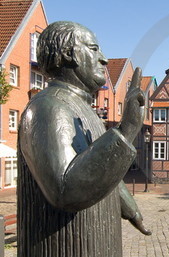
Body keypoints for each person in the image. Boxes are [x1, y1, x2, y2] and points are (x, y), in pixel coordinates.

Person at [18, 21, 150, 257]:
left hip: (96, 242)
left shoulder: (81, 106)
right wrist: (128, 129)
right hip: (65, 247)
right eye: (93, 48)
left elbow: (96, 165)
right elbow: (65, 191)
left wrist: (130, 208)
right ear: (70, 54)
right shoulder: (48, 107)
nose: (105, 59)